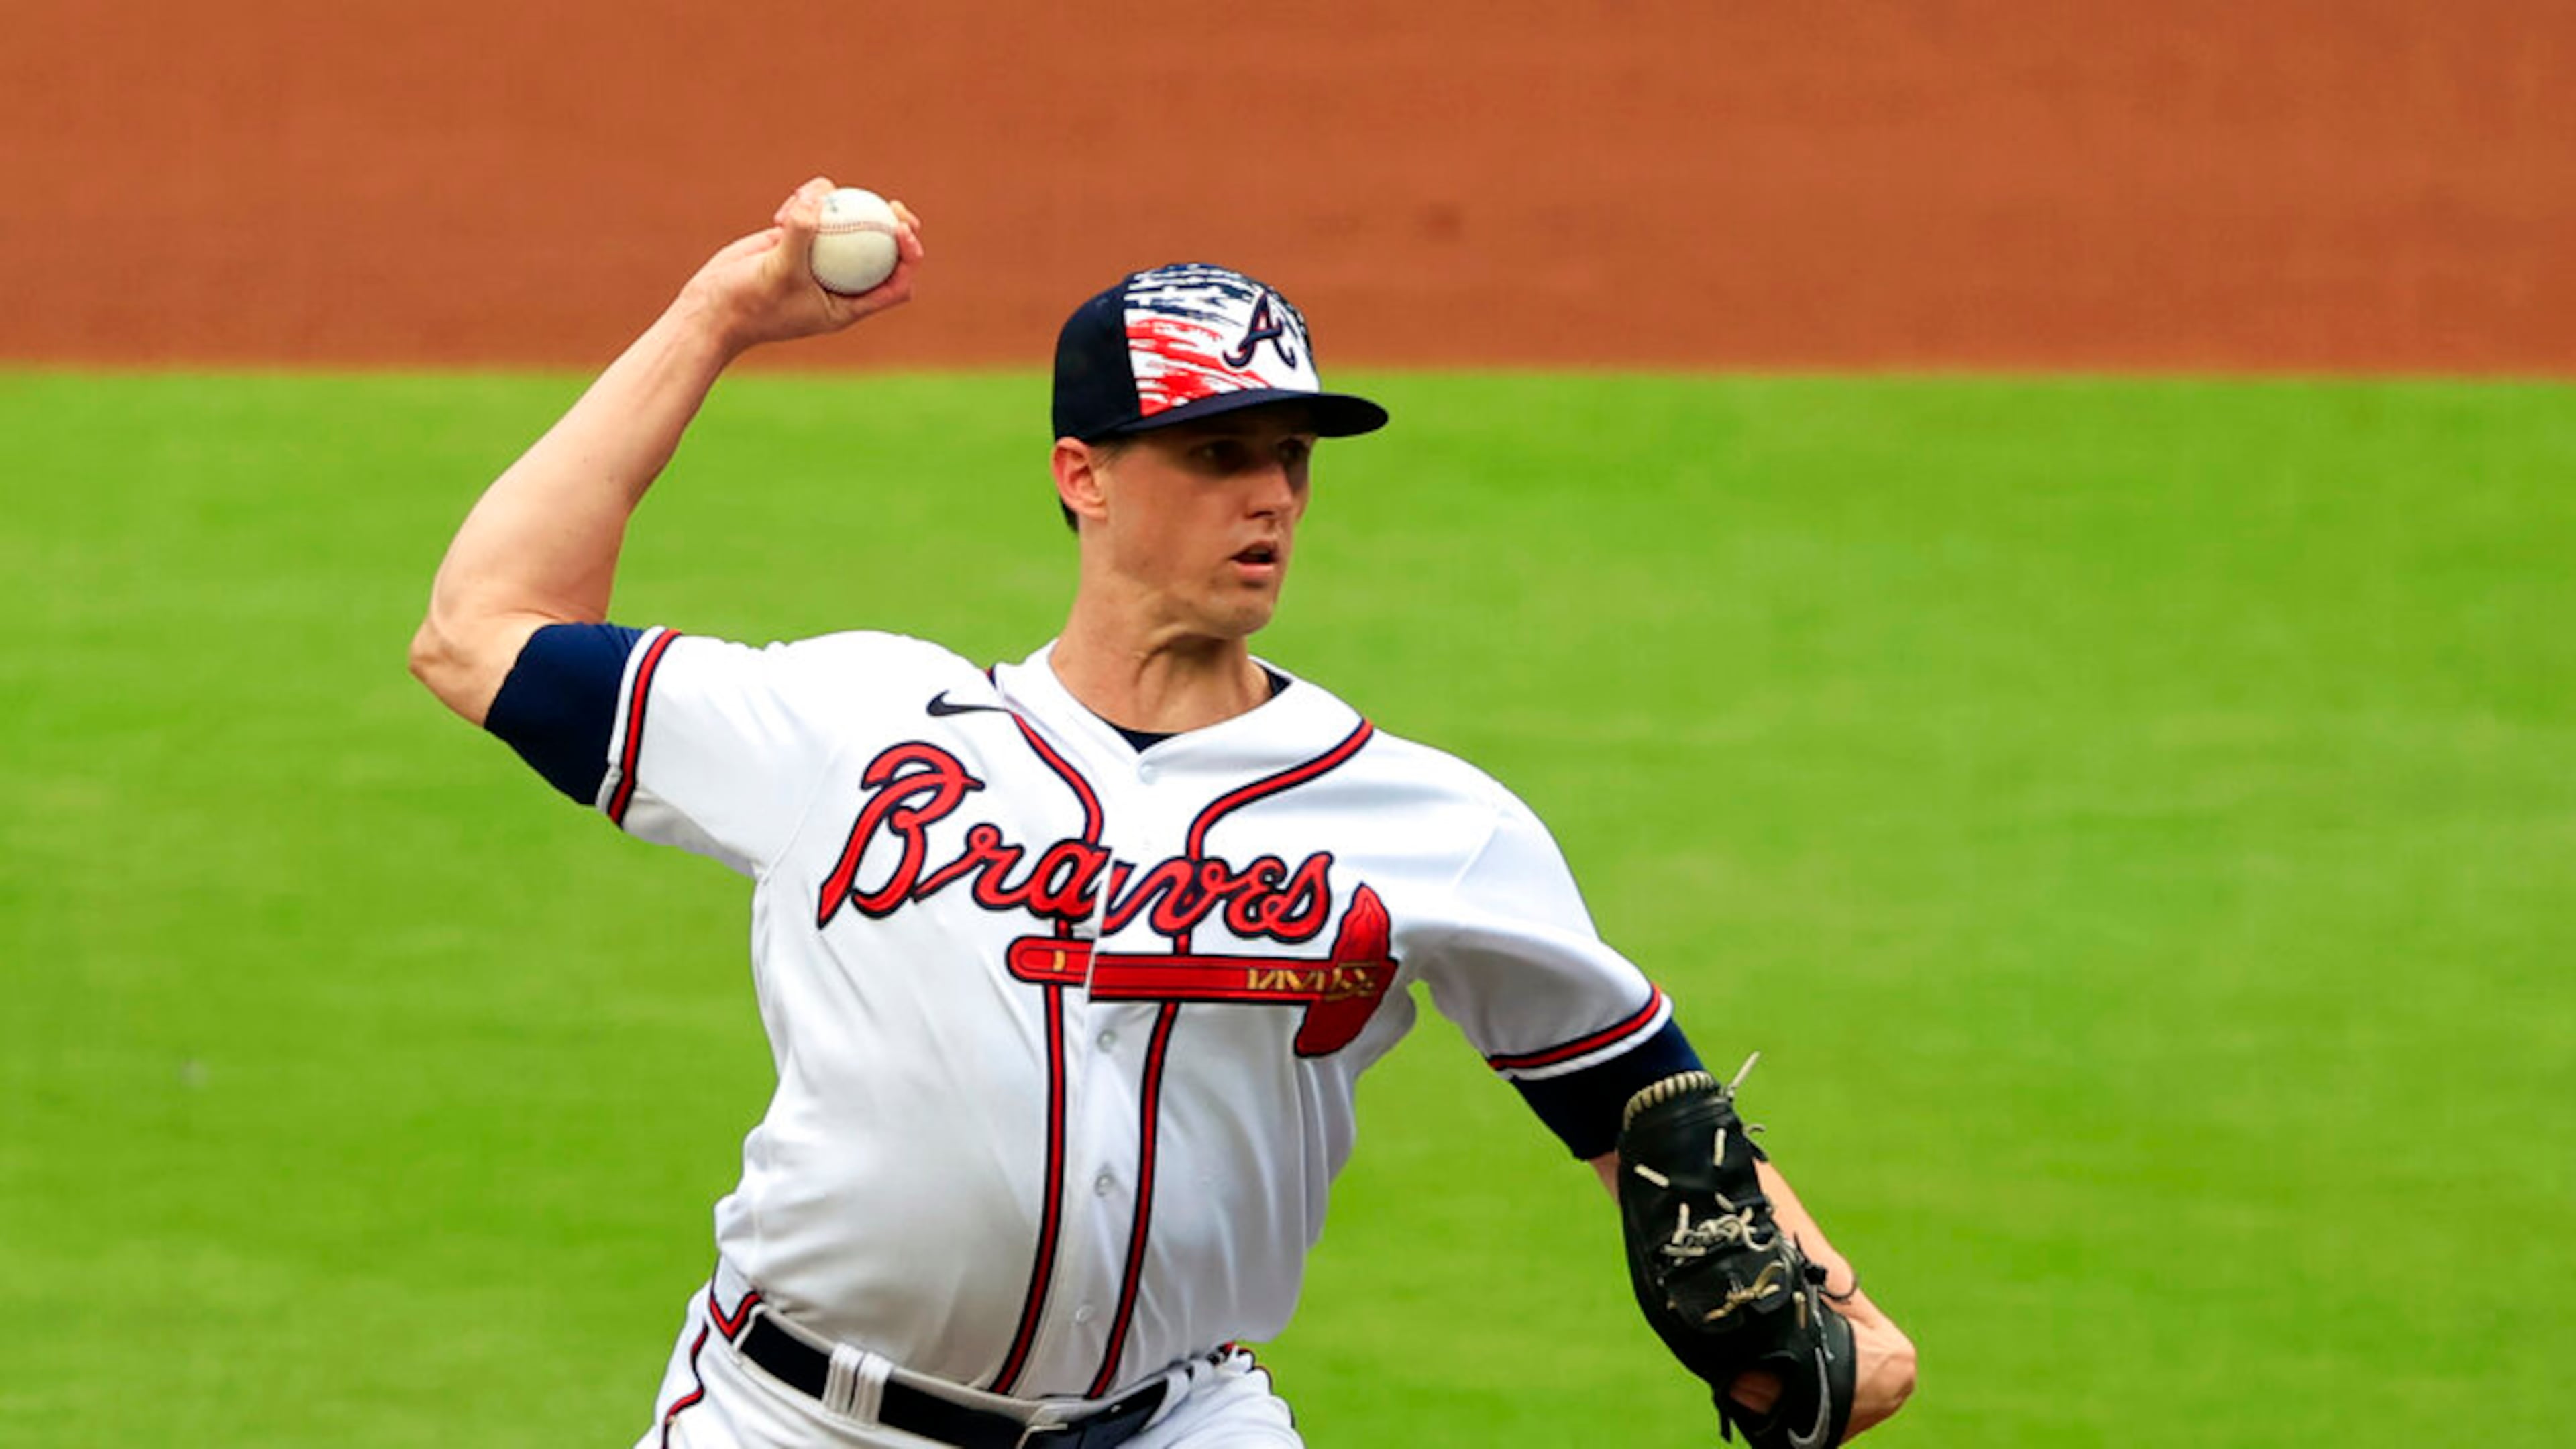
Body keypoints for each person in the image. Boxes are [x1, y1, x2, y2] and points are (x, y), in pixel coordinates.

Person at [410, 176, 1915, 1449]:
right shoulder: (851, 725)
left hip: (1178, 1421)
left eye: (1289, 458)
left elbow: (1642, 1105)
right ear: (1086, 477)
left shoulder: (1425, 819)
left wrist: (1835, 1304)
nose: (1267, 496)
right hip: (795, 1417)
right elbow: (483, 628)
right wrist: (719, 315)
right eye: (1215, 455)